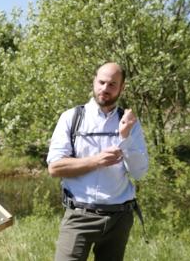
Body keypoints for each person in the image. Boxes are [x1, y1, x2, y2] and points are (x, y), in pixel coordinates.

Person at [47, 62, 149, 261]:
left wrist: (125, 137)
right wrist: (97, 161)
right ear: (94, 82)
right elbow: (55, 167)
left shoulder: (130, 123)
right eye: (101, 82)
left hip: (119, 218)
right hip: (79, 215)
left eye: (112, 84)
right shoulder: (72, 118)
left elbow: (139, 173)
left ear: (122, 87)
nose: (105, 89)